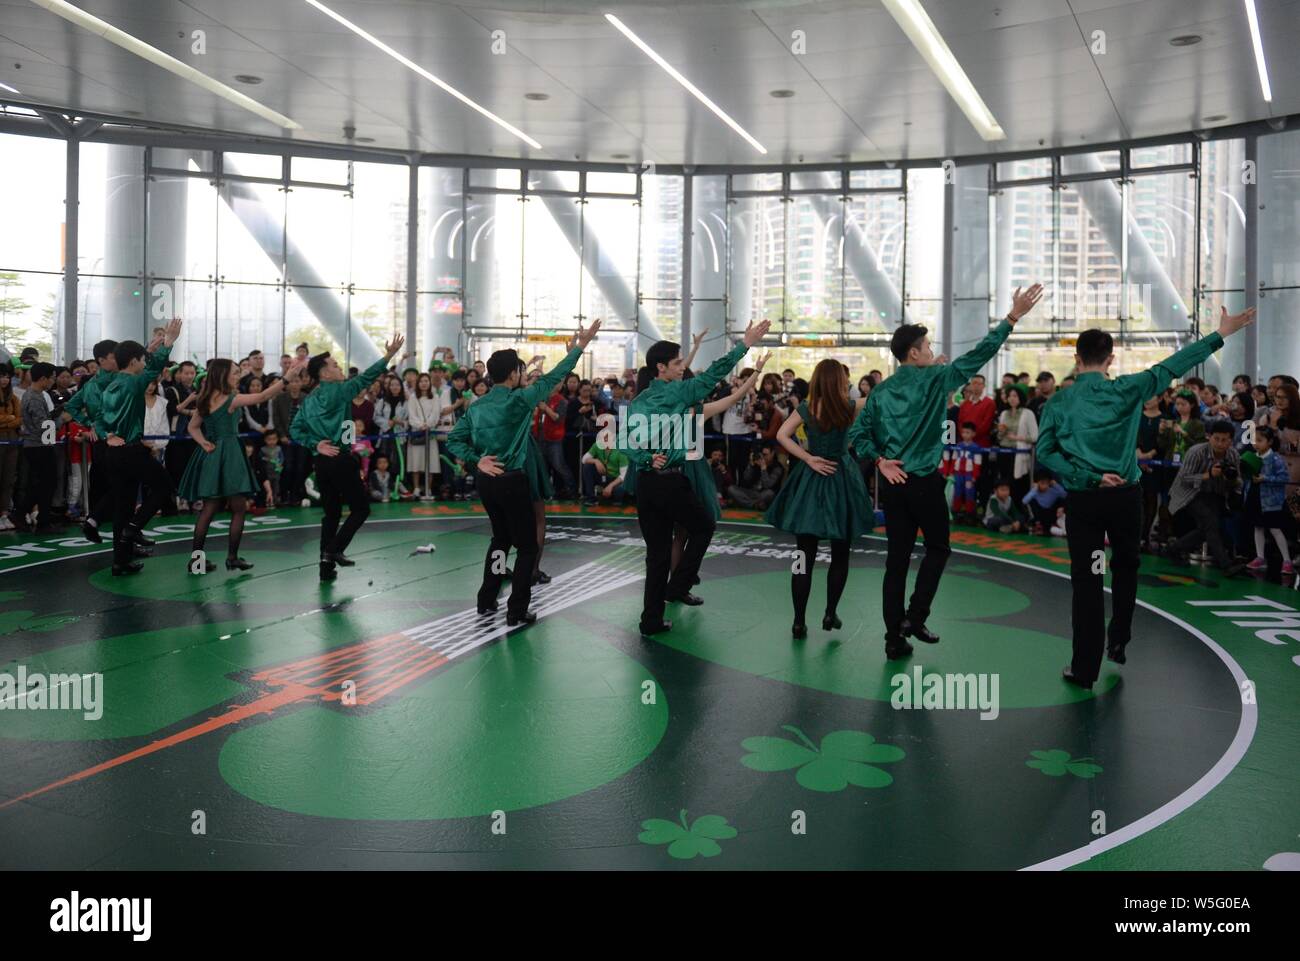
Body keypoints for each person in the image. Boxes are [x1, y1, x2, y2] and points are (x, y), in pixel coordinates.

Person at [1036, 305, 1256, 690]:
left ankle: (1084, 669)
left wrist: (1087, 476)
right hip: (1125, 499)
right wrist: (1220, 334)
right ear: (1110, 359)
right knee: (1126, 567)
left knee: (1088, 579)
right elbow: (1174, 365)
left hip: (1086, 500)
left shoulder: (1058, 402)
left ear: (1077, 359)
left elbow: (1045, 452)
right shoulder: (1130, 388)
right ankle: (1119, 639)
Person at [850, 284, 1044, 659]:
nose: (931, 349)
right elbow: (980, 353)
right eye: (926, 346)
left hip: (892, 482)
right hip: (924, 481)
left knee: (896, 561)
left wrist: (879, 460)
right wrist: (1012, 317)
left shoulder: (882, 391)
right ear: (913, 352)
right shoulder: (937, 378)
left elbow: (858, 435)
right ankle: (915, 616)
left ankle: (893, 639)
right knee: (938, 548)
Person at [619, 319, 771, 636]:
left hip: (646, 484)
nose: (682, 367)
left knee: (656, 555)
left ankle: (651, 619)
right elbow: (714, 373)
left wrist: (646, 458)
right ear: (661, 367)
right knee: (703, 526)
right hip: (671, 481)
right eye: (677, 363)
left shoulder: (638, 402)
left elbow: (624, 441)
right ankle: (679, 586)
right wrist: (744, 345)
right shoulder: (679, 393)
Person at [445, 319, 602, 626]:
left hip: (487, 482)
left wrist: (477, 460)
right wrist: (580, 347)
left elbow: (453, 440)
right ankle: (516, 610)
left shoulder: (476, 407)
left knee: (500, 539)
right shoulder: (520, 399)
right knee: (528, 547)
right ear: (513, 374)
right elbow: (554, 376)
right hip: (512, 480)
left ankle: (487, 598)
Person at [765, 358, 874, 638]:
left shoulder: (808, 407)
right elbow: (880, 399)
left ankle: (798, 621)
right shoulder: (849, 406)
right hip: (841, 478)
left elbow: (782, 435)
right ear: (840, 381)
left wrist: (808, 458)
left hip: (810, 482)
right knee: (840, 554)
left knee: (803, 556)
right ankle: (830, 612)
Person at [290, 333, 405, 581]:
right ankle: (334, 550)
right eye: (334, 365)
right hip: (341, 459)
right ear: (324, 373)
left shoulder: (308, 401)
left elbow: (295, 430)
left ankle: (325, 567)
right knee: (360, 509)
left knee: (331, 513)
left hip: (321, 462)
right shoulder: (341, 391)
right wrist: (388, 355)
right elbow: (367, 376)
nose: (339, 367)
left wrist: (315, 445)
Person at [181, 356, 303, 573]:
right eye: (235, 372)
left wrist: (204, 443)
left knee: (208, 509)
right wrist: (286, 378)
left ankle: (196, 562)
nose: (238, 376)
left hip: (211, 455)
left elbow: (192, 427)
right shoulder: (231, 399)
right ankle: (232, 558)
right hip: (230, 455)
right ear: (223, 375)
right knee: (238, 509)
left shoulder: (204, 399)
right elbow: (264, 396)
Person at [96, 319, 184, 575]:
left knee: (123, 505)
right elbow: (155, 367)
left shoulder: (110, 385)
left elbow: (99, 417)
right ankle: (134, 529)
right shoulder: (133, 382)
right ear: (134, 361)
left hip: (113, 452)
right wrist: (168, 342)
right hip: (131, 450)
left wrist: (106, 436)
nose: (145, 363)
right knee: (165, 487)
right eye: (142, 359)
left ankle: (120, 561)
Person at [1161, 421, 1246, 576]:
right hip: (1189, 493)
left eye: (1224, 440)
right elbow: (1184, 479)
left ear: (1230, 441)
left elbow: (1238, 479)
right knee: (1210, 523)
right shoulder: (1196, 452)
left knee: (1206, 529)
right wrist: (1209, 475)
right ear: (1209, 437)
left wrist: (1232, 480)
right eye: (1216, 439)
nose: (1220, 443)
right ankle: (1226, 564)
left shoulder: (1233, 454)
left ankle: (1173, 549)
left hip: (1215, 494)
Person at [1242, 425, 1293, 575]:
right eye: (1254, 440)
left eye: (1260, 440)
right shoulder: (1252, 457)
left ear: (1269, 442)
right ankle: (1260, 557)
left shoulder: (1276, 459)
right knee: (1257, 527)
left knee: (1275, 529)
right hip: (1254, 496)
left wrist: (1265, 478)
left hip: (1270, 501)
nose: (1256, 443)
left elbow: (1284, 478)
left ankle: (1287, 560)